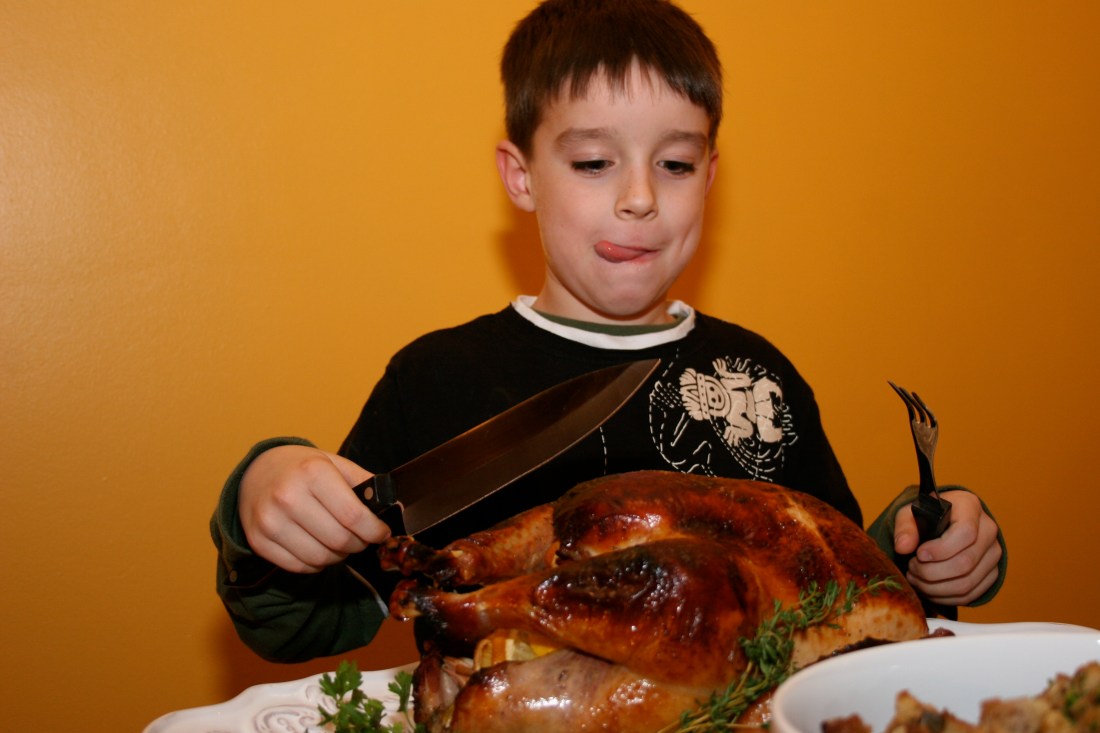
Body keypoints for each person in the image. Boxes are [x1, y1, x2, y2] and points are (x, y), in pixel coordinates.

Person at [211, 0, 1006, 664]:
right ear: (521, 175)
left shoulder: (758, 377)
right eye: (593, 162)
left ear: (711, 176)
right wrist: (261, 498)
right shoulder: (438, 379)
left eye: (675, 164)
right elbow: (296, 623)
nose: (639, 198)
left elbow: (839, 590)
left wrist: (924, 550)